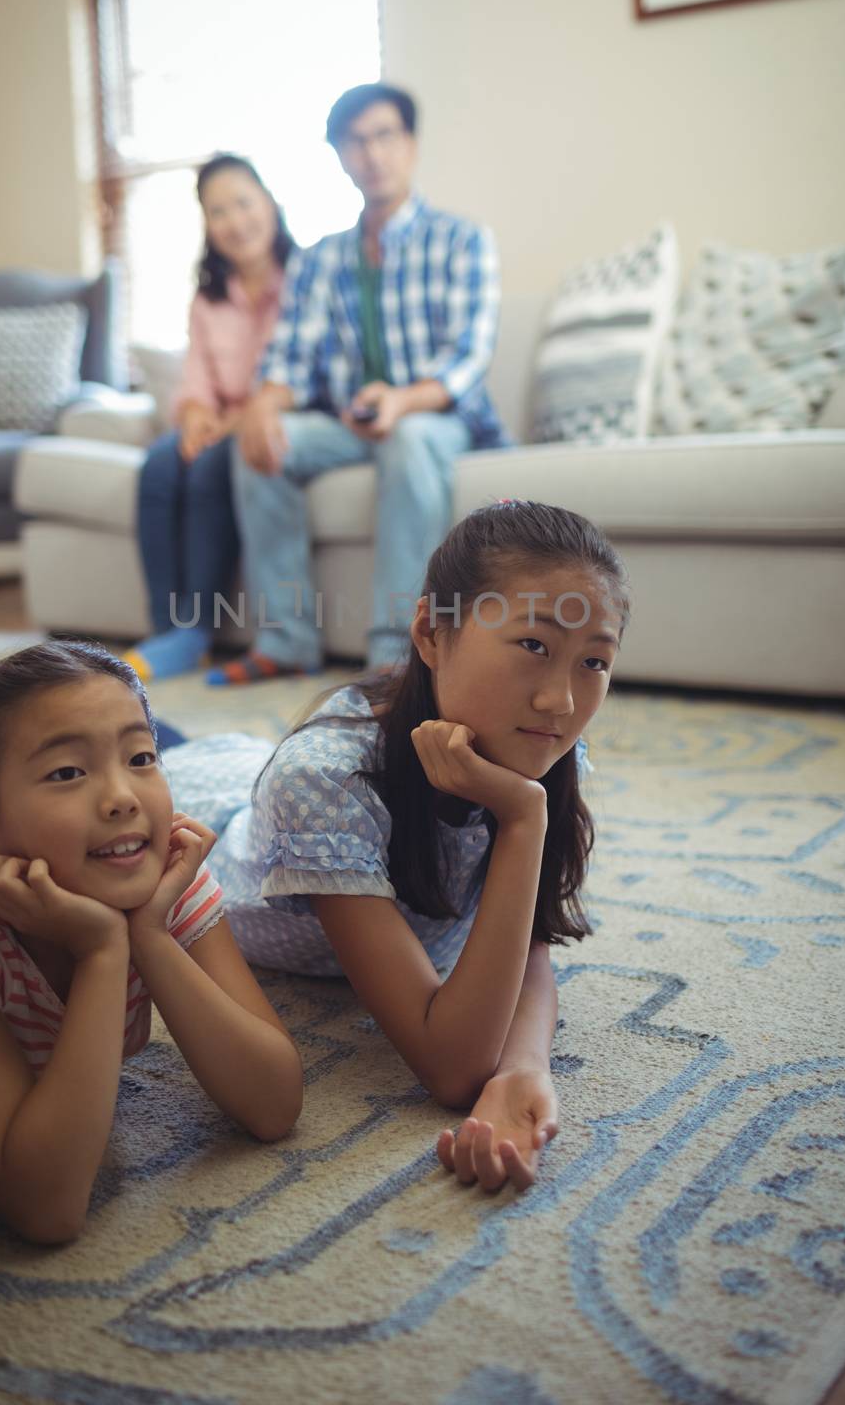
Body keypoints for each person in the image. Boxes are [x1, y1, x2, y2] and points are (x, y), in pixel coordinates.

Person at [163, 500, 629, 1191]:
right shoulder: (323, 781)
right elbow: (450, 1066)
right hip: (213, 816)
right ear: (431, 634)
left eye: (593, 660)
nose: (561, 701)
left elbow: (527, 941)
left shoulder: (537, 755)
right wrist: (523, 819)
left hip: (272, 776)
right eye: (533, 645)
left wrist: (524, 1065)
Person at [0, 642, 303, 1243]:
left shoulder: (164, 873)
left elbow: (275, 1105)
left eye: (143, 756)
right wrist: (102, 951)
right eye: (68, 772)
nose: (123, 797)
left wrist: (146, 933)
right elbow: (45, 1209)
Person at [209, 82, 508, 685]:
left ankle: (396, 656)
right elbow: (292, 356)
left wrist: (401, 400)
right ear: (340, 157)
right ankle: (286, 638)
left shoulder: (462, 240)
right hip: (355, 423)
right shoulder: (321, 259)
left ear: (411, 144)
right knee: (263, 442)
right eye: (355, 142)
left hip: (440, 421)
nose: (372, 154)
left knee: (410, 438)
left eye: (385, 136)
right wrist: (264, 407)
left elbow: (467, 360)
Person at [125, 154, 295, 682]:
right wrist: (196, 416)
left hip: (273, 418)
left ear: (268, 202)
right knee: (156, 467)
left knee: (205, 469)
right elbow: (196, 380)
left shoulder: (303, 280)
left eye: (243, 202)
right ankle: (167, 631)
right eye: (217, 211)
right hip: (217, 422)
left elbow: (296, 379)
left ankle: (196, 628)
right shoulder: (208, 298)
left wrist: (226, 425)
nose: (234, 220)